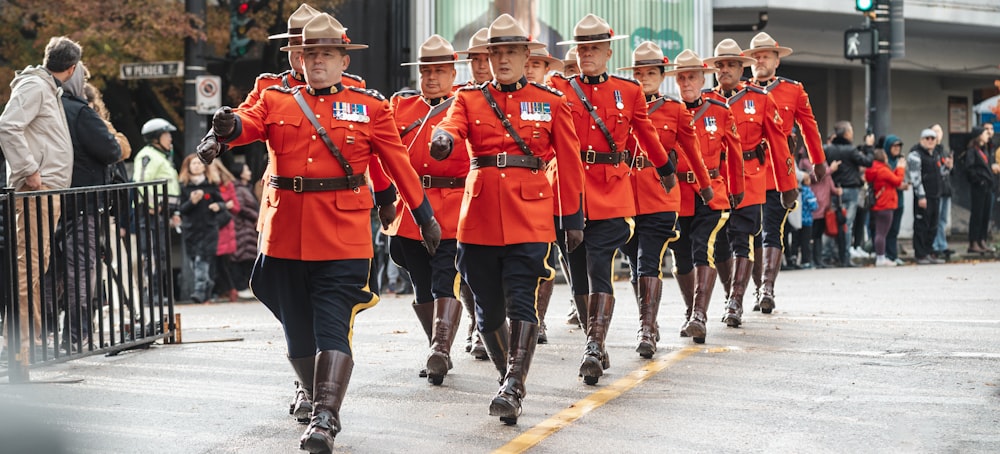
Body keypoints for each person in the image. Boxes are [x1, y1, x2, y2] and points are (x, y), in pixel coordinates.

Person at [198, 13, 442, 452]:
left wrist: (423, 215)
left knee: (332, 324)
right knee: (297, 333)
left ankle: (326, 418)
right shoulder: (276, 97)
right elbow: (248, 123)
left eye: (327, 54)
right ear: (300, 57)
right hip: (285, 234)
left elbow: (396, 164)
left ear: (344, 58)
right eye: (310, 54)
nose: (317, 62)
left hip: (342, 234)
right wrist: (229, 127)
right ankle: (310, 392)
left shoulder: (369, 105)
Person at [430, 13, 584, 423]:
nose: (502, 60)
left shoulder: (550, 102)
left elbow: (569, 164)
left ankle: (514, 383)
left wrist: (572, 217)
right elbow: (452, 123)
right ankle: (507, 376)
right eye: (496, 52)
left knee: (521, 299)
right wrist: (443, 139)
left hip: (530, 215)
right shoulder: (469, 98)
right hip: (478, 216)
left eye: (511, 52)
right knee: (487, 309)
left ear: (525, 55)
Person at [550, 13, 677, 384]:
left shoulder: (629, 91)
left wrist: (665, 168)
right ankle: (596, 336)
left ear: (607, 51)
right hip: (568, 193)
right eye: (581, 48)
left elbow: (647, 133)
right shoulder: (559, 87)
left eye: (594, 48)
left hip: (611, 190)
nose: (587, 54)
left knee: (598, 264)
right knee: (575, 273)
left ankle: (593, 344)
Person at [618, 43, 713, 358]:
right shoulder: (621, 106)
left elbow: (692, 151)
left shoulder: (675, 110)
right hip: (626, 196)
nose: (644, 78)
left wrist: (705, 184)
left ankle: (646, 330)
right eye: (639, 73)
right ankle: (650, 320)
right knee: (634, 264)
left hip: (661, 195)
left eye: (650, 73)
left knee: (649, 261)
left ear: (661, 76)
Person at [388, 34, 470, 385]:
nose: (431, 78)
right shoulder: (401, 107)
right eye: (425, 71)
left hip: (452, 207)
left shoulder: (464, 107)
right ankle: (436, 346)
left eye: (439, 71)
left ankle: (441, 348)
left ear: (453, 73)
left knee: (444, 279)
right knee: (421, 284)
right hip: (412, 207)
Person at [704, 38, 797, 326]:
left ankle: (736, 300)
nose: (726, 70)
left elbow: (779, 144)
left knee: (743, 237)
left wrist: (787, 184)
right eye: (721, 66)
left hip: (750, 175)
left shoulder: (759, 99)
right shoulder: (707, 101)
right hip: (717, 179)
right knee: (719, 241)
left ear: (742, 67)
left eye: (731, 65)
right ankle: (729, 290)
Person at [0, 36, 81, 352]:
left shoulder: (43, 86)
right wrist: (30, 170)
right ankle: (23, 341)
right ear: (72, 68)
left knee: (36, 261)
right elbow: (7, 126)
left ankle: (26, 338)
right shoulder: (35, 86)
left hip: (45, 187)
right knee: (30, 262)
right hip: (38, 187)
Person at [663, 49, 743, 340]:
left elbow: (734, 154)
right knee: (681, 255)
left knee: (702, 246)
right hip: (677, 195)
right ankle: (690, 310)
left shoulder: (719, 111)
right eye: (681, 78)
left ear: (703, 78)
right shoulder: (668, 112)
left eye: (692, 77)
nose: (686, 83)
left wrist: (738, 190)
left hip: (711, 193)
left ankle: (700, 315)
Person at [746, 32, 827, 312]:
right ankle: (755, 288)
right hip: (747, 173)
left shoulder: (793, 90)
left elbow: (809, 126)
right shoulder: (742, 92)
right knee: (750, 233)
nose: (760, 60)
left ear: (777, 60)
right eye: (755, 56)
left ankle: (767, 289)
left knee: (771, 230)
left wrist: (818, 161)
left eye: (765, 55)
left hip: (780, 172)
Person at [46, 61, 123, 351]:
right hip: (82, 202)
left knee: (50, 272)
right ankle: (75, 336)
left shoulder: (48, 108)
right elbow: (111, 150)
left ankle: (47, 334)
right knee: (81, 270)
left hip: (48, 199)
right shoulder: (79, 111)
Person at [177, 155, 228, 304]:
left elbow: (222, 203)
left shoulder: (211, 185)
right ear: (188, 167)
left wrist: (218, 206)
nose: (197, 166)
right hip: (190, 230)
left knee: (202, 260)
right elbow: (181, 209)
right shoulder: (184, 187)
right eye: (193, 164)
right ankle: (208, 284)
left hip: (208, 229)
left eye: (199, 163)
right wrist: (192, 202)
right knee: (194, 262)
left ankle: (199, 290)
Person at [823, 121, 872, 267]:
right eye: (850, 130)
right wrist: (869, 146)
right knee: (846, 225)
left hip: (834, 189)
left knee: (831, 222)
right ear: (846, 134)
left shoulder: (828, 149)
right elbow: (868, 162)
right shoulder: (850, 150)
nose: (852, 133)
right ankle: (844, 257)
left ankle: (828, 256)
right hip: (850, 190)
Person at [907, 128, 945, 265]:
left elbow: (941, 174)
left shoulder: (935, 154)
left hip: (935, 195)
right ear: (921, 140)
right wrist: (921, 196)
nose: (930, 141)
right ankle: (920, 254)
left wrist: (948, 167)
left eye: (932, 139)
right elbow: (915, 177)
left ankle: (929, 252)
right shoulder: (915, 155)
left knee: (933, 225)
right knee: (921, 225)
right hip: (923, 196)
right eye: (927, 138)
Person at [864, 148, 906, 266]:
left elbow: (891, 180)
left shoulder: (872, 169)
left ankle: (880, 256)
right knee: (881, 233)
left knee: (879, 232)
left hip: (877, 204)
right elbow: (897, 181)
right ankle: (881, 258)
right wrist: (901, 168)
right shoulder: (882, 170)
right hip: (886, 204)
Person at [227, 162, 259, 299]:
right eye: (246, 169)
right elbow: (239, 207)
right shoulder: (239, 188)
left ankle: (246, 286)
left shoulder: (246, 187)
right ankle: (241, 287)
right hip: (242, 227)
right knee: (243, 257)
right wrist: (256, 216)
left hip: (247, 227)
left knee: (248, 256)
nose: (249, 172)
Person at [211, 161, 241, 302]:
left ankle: (230, 289)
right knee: (216, 262)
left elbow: (235, 207)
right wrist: (225, 204)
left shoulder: (227, 185)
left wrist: (222, 205)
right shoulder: (208, 185)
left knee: (223, 261)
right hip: (211, 227)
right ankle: (224, 289)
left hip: (224, 227)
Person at [965, 126, 996, 254]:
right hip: (979, 186)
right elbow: (969, 168)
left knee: (985, 214)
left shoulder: (985, 150)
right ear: (978, 136)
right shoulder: (972, 151)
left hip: (988, 186)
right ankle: (974, 242)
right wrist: (979, 180)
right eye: (984, 133)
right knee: (977, 214)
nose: (987, 135)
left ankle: (982, 239)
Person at [930, 124, 955, 259]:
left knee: (943, 220)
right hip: (936, 190)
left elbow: (951, 173)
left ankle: (942, 244)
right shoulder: (931, 151)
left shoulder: (944, 151)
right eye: (934, 131)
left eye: (939, 131)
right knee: (936, 219)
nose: (937, 134)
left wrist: (951, 166)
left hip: (946, 189)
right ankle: (935, 245)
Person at [882, 135, 908, 265]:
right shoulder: (885, 162)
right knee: (886, 230)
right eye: (894, 146)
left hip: (899, 200)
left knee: (895, 229)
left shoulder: (901, 161)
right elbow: (891, 179)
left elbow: (904, 178)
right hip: (887, 201)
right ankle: (885, 254)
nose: (897, 149)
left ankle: (893, 255)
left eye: (899, 146)